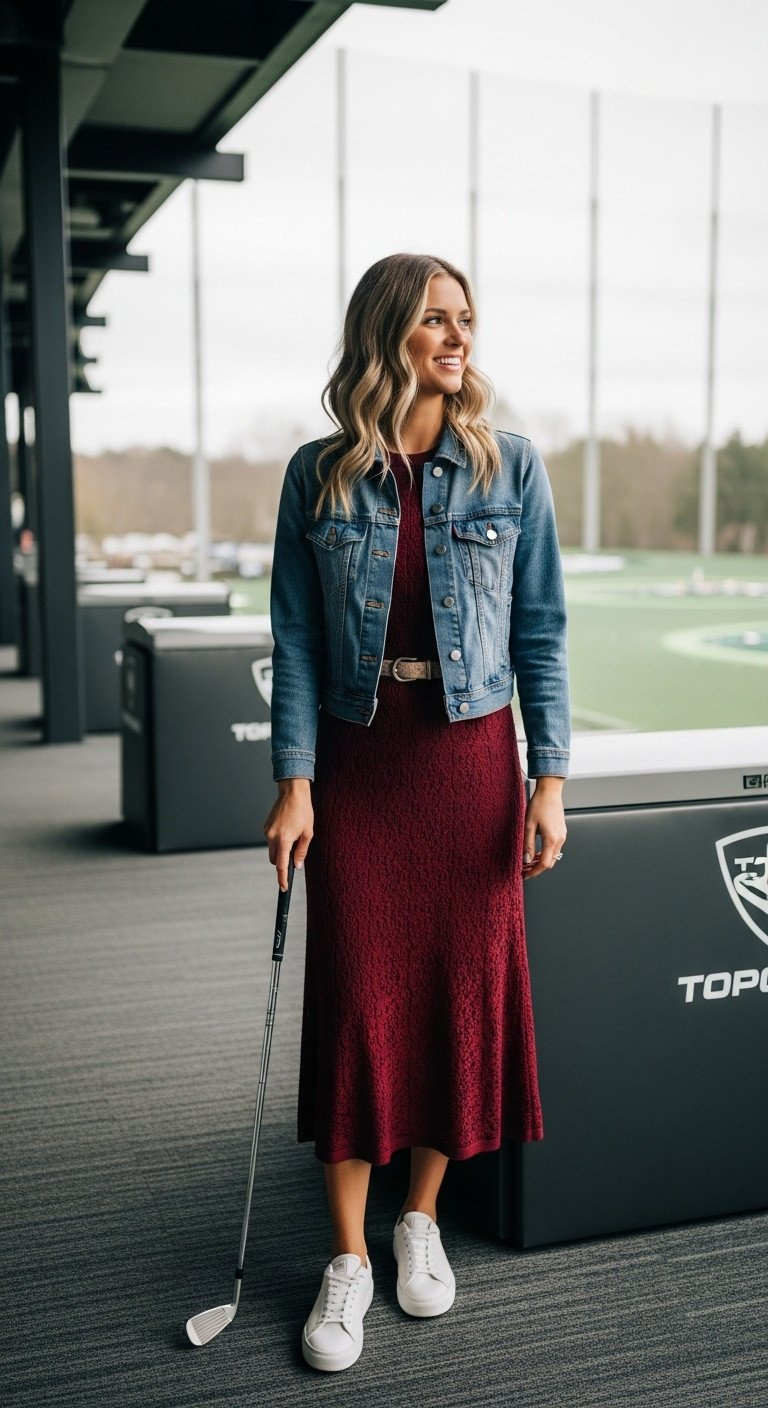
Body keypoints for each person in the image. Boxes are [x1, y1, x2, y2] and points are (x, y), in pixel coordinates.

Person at [263, 252, 570, 1373]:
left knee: (456, 994)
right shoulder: (318, 473)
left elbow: (540, 632)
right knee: (355, 1001)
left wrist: (550, 780)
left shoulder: (510, 467)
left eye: (468, 318)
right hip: (359, 762)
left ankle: (419, 1216)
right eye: (437, 318)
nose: (459, 336)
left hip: (471, 760)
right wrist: (294, 781)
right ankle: (345, 1257)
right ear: (388, 332)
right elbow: (292, 635)